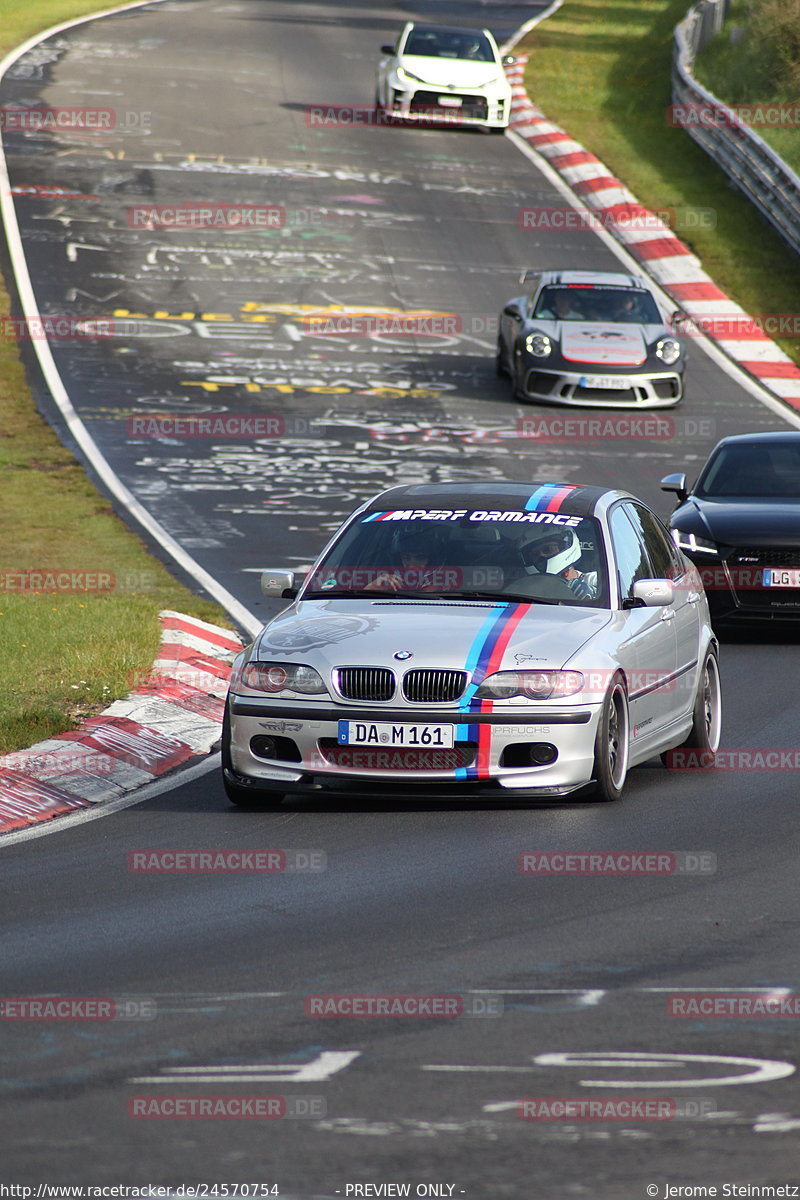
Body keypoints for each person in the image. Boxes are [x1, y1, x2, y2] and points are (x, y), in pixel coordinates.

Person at [519, 526, 599, 600]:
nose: (541, 555)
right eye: (535, 554)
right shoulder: (525, 591)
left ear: (565, 545)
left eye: (548, 549)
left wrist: (594, 595)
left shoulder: (596, 581)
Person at [364, 527, 444, 593]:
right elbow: (359, 602)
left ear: (431, 560)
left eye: (420, 558)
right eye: (406, 558)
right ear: (399, 559)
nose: (412, 564)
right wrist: (374, 586)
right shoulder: (390, 583)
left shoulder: (448, 583)